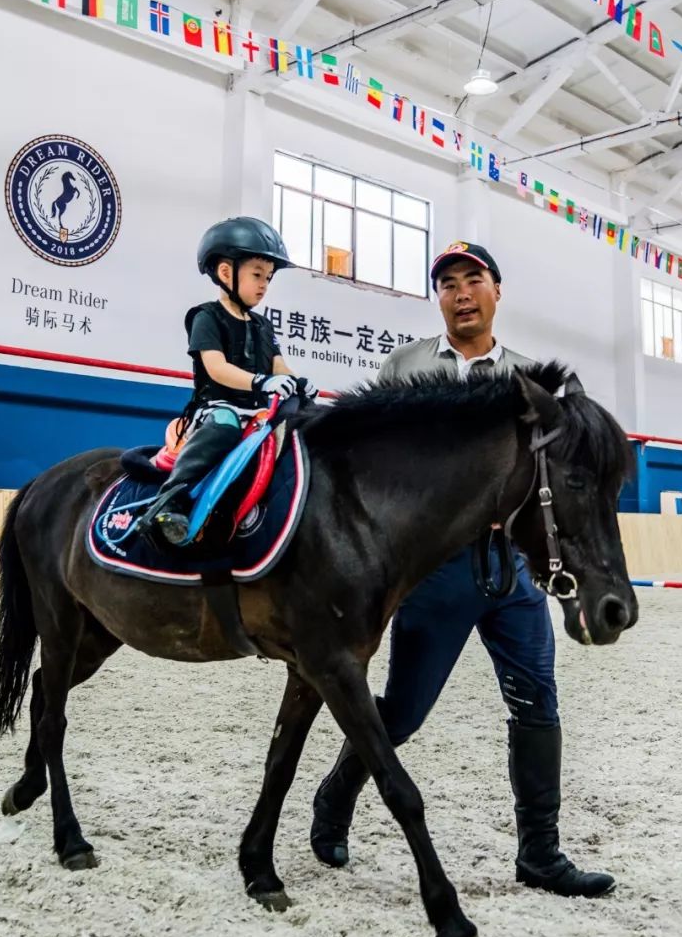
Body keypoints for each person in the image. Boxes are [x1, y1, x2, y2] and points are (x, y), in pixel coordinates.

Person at [309, 240, 614, 899]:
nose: (460, 292)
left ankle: (540, 851)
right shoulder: (405, 368)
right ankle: (334, 796)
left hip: (514, 571)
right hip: (435, 571)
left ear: (497, 290)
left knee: (537, 704)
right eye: (447, 282)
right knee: (405, 711)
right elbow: (371, 467)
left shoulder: (537, 378)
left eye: (472, 278)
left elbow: (566, 471)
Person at [136, 216, 317, 545]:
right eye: (257, 275)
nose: (264, 284)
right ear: (225, 273)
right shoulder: (206, 317)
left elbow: (278, 365)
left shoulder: (263, 325)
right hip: (217, 408)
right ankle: (170, 501)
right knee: (225, 425)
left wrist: (297, 384)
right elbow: (216, 367)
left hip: (259, 412)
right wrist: (260, 383)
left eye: (269, 278)